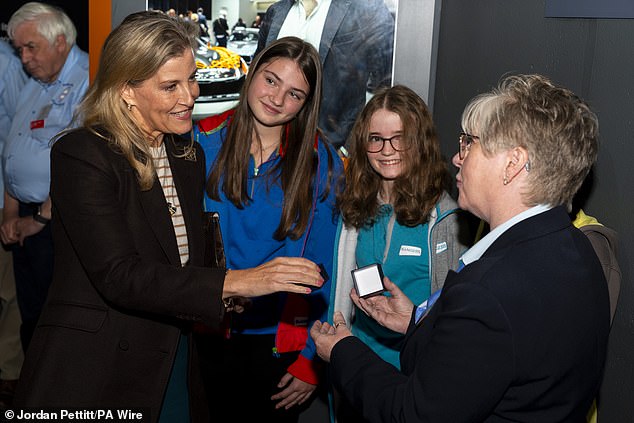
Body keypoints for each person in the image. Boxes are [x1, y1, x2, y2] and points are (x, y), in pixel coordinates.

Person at [11, 12, 325, 422]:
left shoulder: (185, 154)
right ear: (126, 89)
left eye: (192, 79)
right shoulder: (82, 154)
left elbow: (182, 263)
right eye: (170, 86)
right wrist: (242, 280)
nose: (190, 96)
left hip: (173, 353)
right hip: (100, 364)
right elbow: (120, 275)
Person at [311, 74, 610, 422]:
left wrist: (343, 350)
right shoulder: (581, 251)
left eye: (470, 143)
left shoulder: (486, 293)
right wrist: (416, 321)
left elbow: (412, 413)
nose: (456, 157)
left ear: (512, 164)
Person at [193, 36, 344, 422]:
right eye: (271, 80)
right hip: (207, 329)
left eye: (294, 93)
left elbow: (321, 266)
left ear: (306, 104)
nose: (277, 98)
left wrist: (311, 360)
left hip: (279, 340)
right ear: (252, 71)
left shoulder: (319, 160)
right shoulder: (201, 140)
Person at [328, 85, 469, 421]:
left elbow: (454, 317)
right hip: (356, 366)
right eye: (375, 138)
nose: (387, 149)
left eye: (400, 137)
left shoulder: (448, 218)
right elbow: (341, 293)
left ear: (419, 141)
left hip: (412, 379)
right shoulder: (356, 207)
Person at [0, 1, 89, 353]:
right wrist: (10, 213)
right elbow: (13, 148)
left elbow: (79, 166)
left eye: (30, 47)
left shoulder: (88, 80)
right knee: (32, 318)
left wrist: (38, 218)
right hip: (25, 219)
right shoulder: (36, 82)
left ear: (61, 42)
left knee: (58, 325)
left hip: (56, 225)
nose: (24, 58)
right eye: (19, 49)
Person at [257, 0, 394, 149]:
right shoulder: (276, 11)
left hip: (332, 149)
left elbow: (384, 85)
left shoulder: (366, 9)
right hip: (271, 150)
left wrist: (350, 148)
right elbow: (257, 73)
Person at [0, 38, 27, 412]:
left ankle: (9, 373)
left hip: (2, 195)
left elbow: (15, 138)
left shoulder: (7, 64)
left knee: (8, 294)